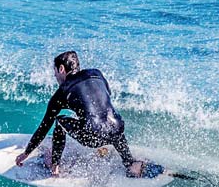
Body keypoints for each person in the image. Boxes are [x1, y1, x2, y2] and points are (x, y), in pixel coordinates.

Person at [15, 51, 147, 178]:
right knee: (109, 121)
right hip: (117, 130)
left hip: (93, 137)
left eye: (55, 71)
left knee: (60, 121)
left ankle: (55, 165)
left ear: (61, 69)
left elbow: (44, 127)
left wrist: (26, 153)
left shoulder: (63, 91)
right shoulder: (97, 74)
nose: (55, 76)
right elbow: (104, 98)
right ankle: (131, 164)